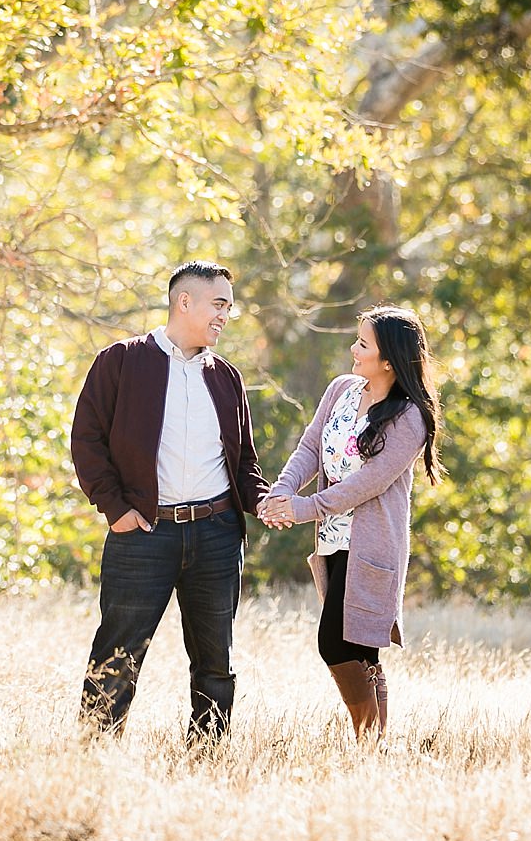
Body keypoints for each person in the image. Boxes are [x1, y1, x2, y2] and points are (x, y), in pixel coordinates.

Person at [71, 260, 269, 742]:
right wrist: (116, 511)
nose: (226, 315)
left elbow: (243, 461)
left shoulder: (226, 377)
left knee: (215, 662)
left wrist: (264, 501)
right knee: (117, 655)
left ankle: (207, 758)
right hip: (142, 535)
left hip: (217, 536)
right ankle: (92, 759)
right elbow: (86, 441)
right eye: (219, 304)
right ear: (185, 302)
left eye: (229, 307)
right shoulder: (120, 361)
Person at [259, 305, 444, 743]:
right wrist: (282, 492)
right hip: (332, 541)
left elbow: (369, 483)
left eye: (363, 344)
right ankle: (374, 747)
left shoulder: (408, 416)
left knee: (338, 643)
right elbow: (309, 447)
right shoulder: (342, 389)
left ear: (388, 360)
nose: (352, 350)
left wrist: (302, 509)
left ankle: (367, 741)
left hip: (373, 546)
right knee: (361, 650)